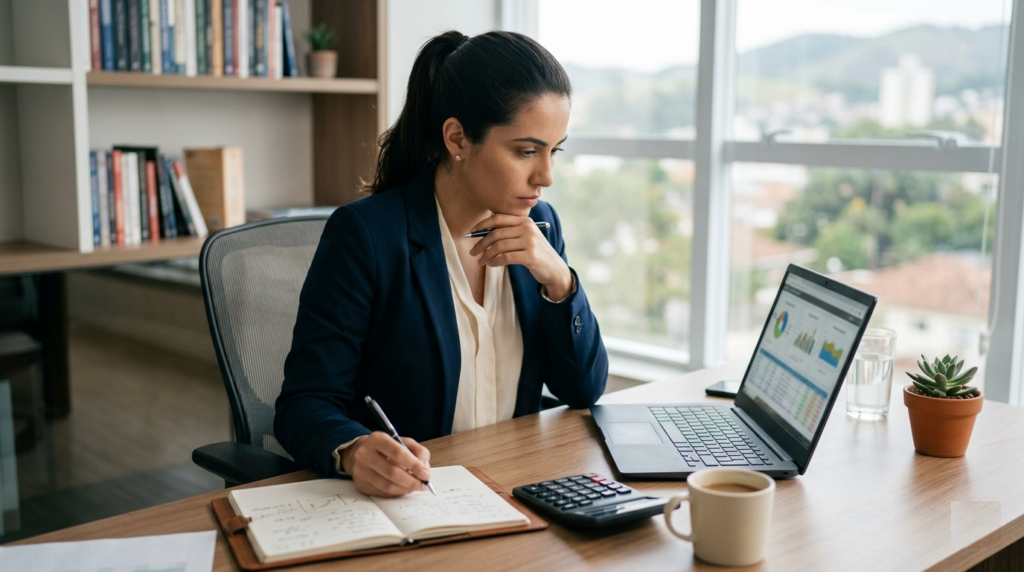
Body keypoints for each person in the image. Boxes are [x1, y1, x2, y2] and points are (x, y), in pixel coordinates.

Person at [274, 30, 608, 497]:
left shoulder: (541, 227)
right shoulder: (367, 235)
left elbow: (583, 390)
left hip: (517, 488)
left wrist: (559, 281)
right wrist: (351, 450)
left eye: (555, 151)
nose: (546, 176)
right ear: (457, 138)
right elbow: (305, 402)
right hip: (419, 499)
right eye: (526, 151)